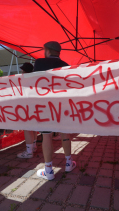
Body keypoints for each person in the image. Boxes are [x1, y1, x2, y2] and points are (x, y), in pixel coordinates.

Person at [31, 41, 76, 180]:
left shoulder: (39, 63)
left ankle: (48, 171)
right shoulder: (66, 66)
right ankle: (69, 163)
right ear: (59, 52)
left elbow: (33, 83)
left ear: (48, 50)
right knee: (65, 133)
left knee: (46, 136)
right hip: (62, 104)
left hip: (44, 104)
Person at [17, 62, 39, 158]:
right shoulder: (35, 80)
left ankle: (29, 151)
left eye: (23, 70)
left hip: (27, 107)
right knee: (33, 127)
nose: (21, 72)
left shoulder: (25, 81)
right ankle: (33, 146)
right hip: (34, 106)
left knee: (27, 128)